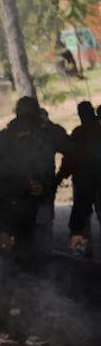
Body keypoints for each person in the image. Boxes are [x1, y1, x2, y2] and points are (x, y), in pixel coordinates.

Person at [0, 96, 70, 341]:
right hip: (14, 213)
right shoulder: (9, 139)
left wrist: (50, 184)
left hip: (27, 212)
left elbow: (69, 150)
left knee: (27, 267)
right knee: (23, 268)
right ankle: (13, 324)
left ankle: (22, 323)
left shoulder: (39, 135)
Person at [62, 101, 101, 255]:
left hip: (84, 183)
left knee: (82, 218)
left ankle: (84, 249)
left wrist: (60, 177)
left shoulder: (79, 132)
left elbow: (71, 158)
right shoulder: (97, 129)